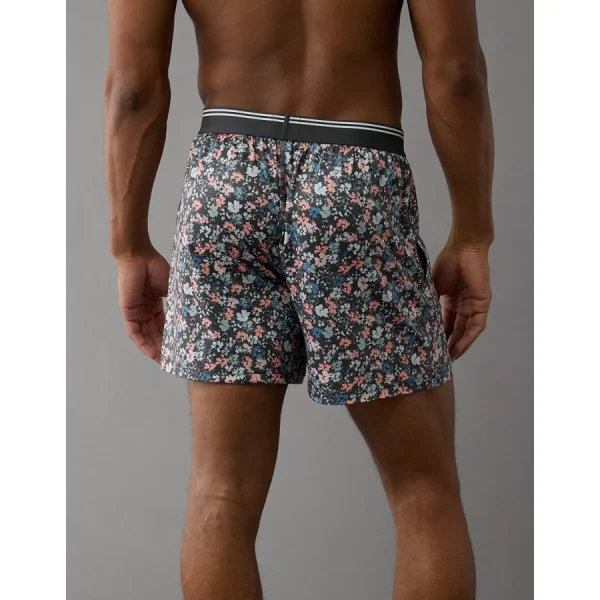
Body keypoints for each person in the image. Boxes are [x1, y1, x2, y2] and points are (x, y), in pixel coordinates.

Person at [104, 0, 493, 597]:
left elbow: (133, 89)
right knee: (423, 493)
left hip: (227, 182)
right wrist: (472, 234)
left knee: (221, 495)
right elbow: (457, 73)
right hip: (358, 178)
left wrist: (129, 245)